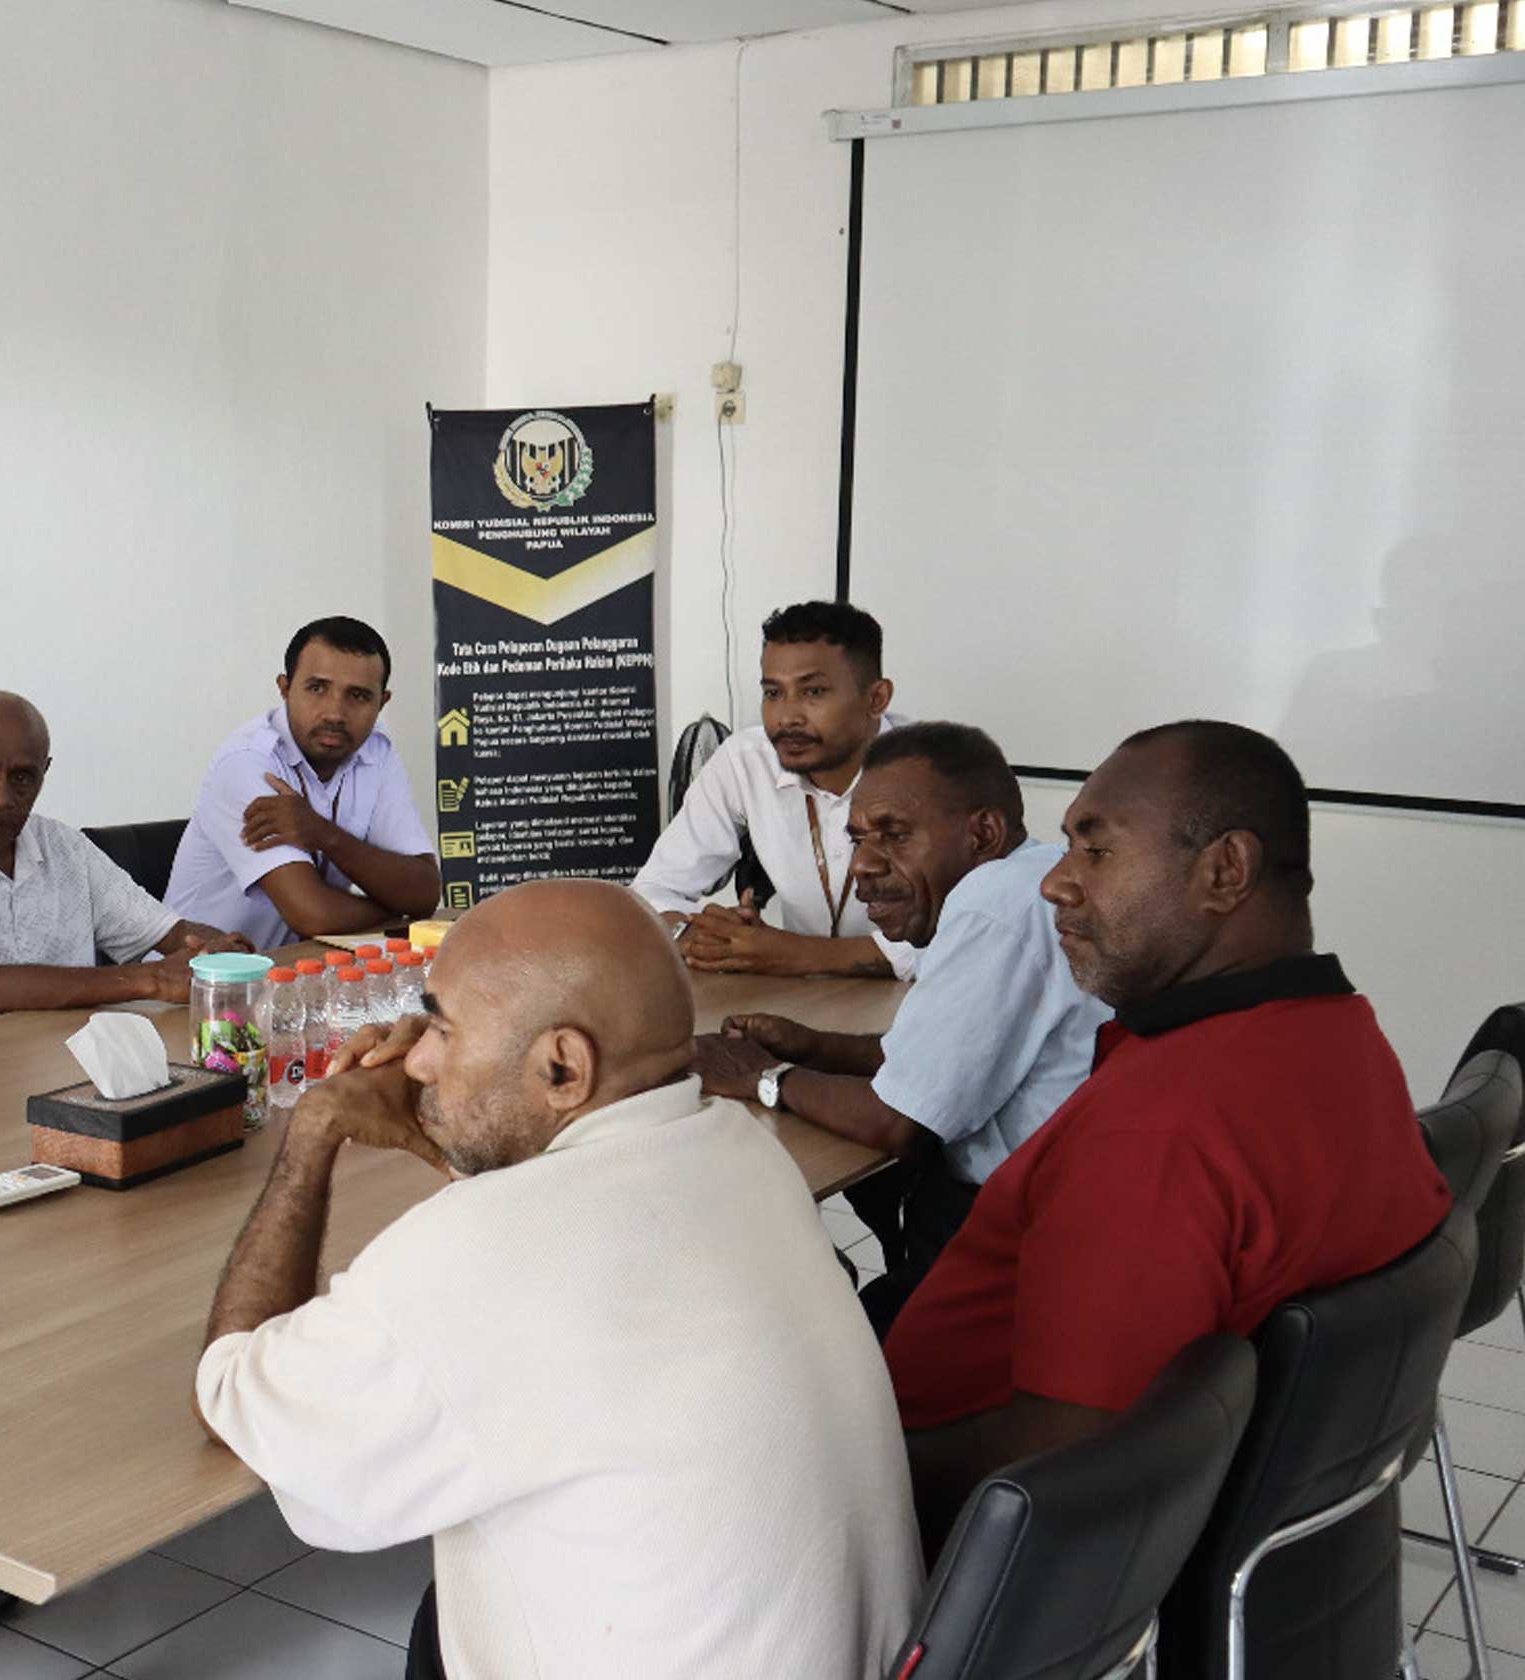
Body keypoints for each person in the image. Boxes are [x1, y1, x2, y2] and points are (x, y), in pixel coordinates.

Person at [194, 880, 920, 1679]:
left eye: (442, 1027)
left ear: (563, 1067)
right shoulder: (744, 1149)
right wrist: (461, 1142)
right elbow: (553, 1250)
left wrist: (314, 1130)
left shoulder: (475, 1255)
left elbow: (234, 1397)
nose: (419, 1060)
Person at [882, 721, 1449, 1551]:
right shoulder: (1341, 1036)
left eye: (1096, 850)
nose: (1056, 884)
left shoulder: (1161, 1131)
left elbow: (1065, 1468)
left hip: (941, 1541)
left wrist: (852, 1484)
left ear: (1225, 871)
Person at [689, 723, 1109, 1334]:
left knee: (806, 1329)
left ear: (983, 834)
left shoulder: (993, 904)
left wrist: (764, 1077)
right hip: (1041, 1220)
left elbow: (900, 1121)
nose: (863, 865)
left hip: (1016, 1258)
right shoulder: (1031, 876)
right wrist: (815, 1047)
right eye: (858, 838)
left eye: (894, 835)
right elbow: (932, 1059)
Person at [0, 693, 247, 1040]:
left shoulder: (62, 846)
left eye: (22, 778)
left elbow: (170, 933)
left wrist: (218, 952)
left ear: (43, 772)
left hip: (57, 1060)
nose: (1, 797)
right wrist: (154, 979)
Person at [632, 602, 918, 981]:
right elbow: (653, 889)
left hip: (920, 1000)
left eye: (813, 691)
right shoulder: (746, 760)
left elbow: (966, 933)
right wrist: (698, 936)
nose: (787, 717)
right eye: (773, 693)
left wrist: (796, 954)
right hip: (798, 999)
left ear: (876, 699)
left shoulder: (935, 775)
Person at [163, 617, 440, 950]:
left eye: (358, 695)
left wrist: (323, 834)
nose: (335, 713)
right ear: (284, 688)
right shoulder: (246, 763)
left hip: (296, 968)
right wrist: (395, 911)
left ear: (381, 703)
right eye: (317, 688)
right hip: (199, 976)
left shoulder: (375, 752)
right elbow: (312, 914)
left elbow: (424, 892)